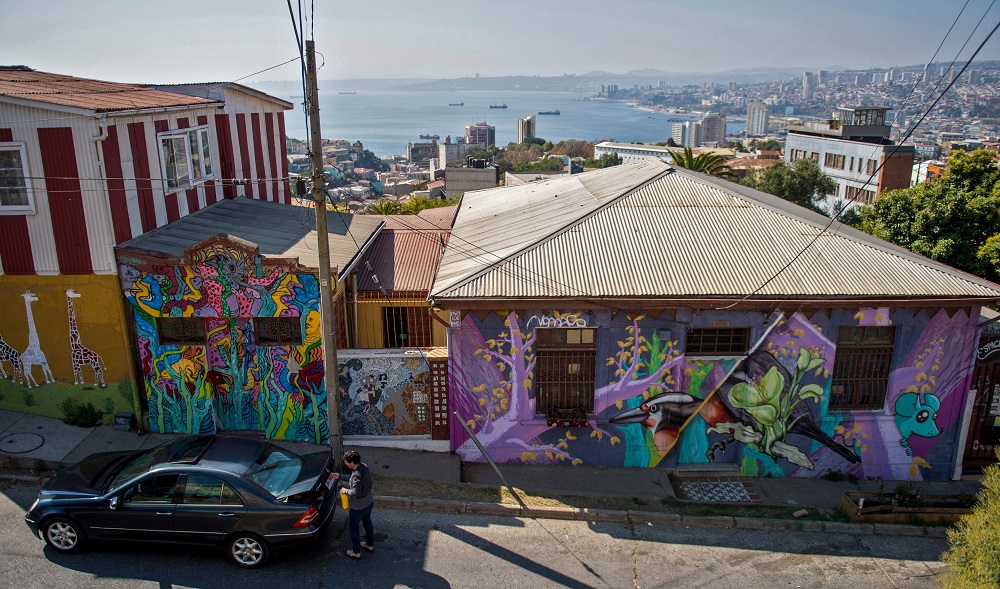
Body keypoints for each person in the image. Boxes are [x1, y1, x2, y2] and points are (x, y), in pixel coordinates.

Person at [339, 450, 374, 559]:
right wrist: (339, 476)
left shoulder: (356, 475)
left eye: (347, 462)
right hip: (369, 502)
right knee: (367, 522)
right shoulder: (364, 467)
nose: (346, 464)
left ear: (352, 462)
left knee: (354, 527)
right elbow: (353, 479)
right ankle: (369, 544)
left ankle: (356, 552)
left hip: (359, 507)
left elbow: (355, 493)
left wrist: (345, 491)